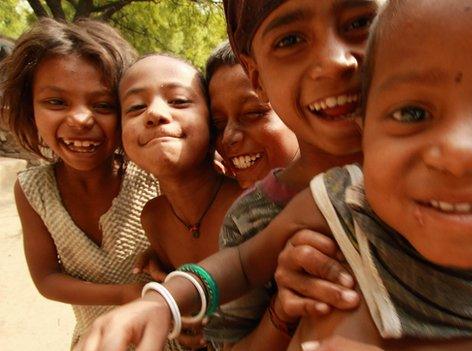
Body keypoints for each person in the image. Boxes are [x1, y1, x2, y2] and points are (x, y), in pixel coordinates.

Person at [79, 0, 472, 350]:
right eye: (415, 113)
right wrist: (163, 304)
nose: (460, 153)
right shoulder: (343, 201)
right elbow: (243, 261)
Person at [77, 1, 381, 350]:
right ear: (258, 77)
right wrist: (164, 300)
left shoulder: (442, 161)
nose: (334, 61)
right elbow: (241, 263)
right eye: (291, 40)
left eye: (360, 22)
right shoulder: (308, 201)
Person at [0, 18, 159, 347]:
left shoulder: (153, 176)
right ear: (30, 111)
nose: (80, 119)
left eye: (102, 105)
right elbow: (46, 278)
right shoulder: (34, 191)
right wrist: (123, 294)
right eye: (56, 102)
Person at [119, 53, 245, 349]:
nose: (156, 113)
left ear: (212, 121)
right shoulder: (153, 218)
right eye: (136, 107)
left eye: (179, 101)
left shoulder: (247, 202)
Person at [206, 41, 299, 189]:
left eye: (252, 113)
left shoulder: (343, 197)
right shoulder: (239, 210)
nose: (228, 137)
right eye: (219, 124)